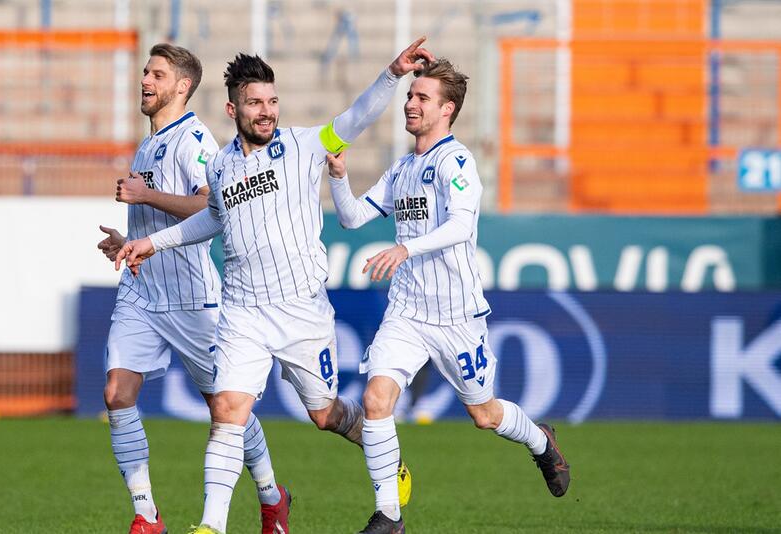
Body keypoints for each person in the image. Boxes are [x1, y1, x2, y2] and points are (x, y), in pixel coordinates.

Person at [114, 38, 436, 534]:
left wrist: (393, 74)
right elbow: (210, 221)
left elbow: (357, 117)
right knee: (227, 410)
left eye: (272, 102)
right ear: (233, 108)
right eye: (255, 103)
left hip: (301, 312)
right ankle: (211, 526)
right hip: (242, 310)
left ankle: (388, 460)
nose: (266, 113)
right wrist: (152, 244)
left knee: (325, 414)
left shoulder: (305, 145)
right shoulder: (220, 165)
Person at [324, 58, 572, 534]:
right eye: (411, 95)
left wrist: (405, 247)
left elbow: (460, 226)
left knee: (484, 414)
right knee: (376, 401)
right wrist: (338, 176)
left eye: (421, 97)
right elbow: (352, 218)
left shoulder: (456, 161)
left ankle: (541, 440)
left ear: (446, 109)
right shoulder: (402, 169)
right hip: (407, 310)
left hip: (455, 315)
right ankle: (389, 517)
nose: (411, 103)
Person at [96, 43, 288, 534]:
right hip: (141, 293)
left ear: (181, 86)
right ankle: (146, 516)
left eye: (156, 74)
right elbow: (155, 216)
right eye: (144, 71)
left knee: (226, 407)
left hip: (191, 298)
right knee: (117, 392)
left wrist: (145, 194)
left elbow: (212, 210)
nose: (145, 80)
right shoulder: (147, 142)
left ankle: (271, 496)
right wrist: (127, 241)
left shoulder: (196, 140)